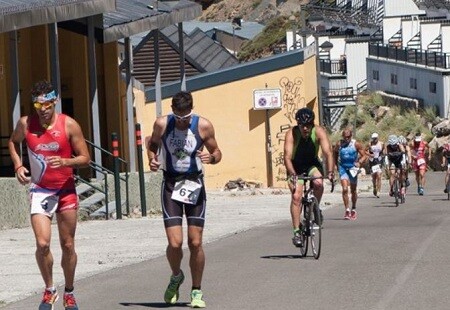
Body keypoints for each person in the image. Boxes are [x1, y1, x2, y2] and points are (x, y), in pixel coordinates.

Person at [8, 80, 90, 310]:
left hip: (65, 190)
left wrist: (66, 161)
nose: (43, 111)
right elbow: (13, 143)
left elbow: (85, 158)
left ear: (54, 102)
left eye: (47, 106)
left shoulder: (69, 125)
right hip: (40, 190)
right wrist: (17, 165)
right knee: (43, 244)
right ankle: (50, 289)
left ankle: (70, 292)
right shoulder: (25, 123)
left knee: (68, 245)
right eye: (38, 106)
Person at [146, 91, 222, 308]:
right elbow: (151, 145)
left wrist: (212, 158)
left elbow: (217, 152)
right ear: (172, 112)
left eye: (186, 118)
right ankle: (176, 275)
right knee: (175, 242)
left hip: (194, 185)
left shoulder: (203, 126)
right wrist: (152, 160)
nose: (182, 122)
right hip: (171, 185)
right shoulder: (162, 124)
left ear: (192, 111)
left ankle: (196, 290)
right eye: (178, 118)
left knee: (195, 242)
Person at [284, 107, 334, 246]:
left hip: (312, 164)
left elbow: (328, 153)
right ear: (298, 124)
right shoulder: (291, 133)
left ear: (312, 124)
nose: (305, 128)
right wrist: (293, 174)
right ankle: (296, 232)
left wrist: (330, 172)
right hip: (295, 166)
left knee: (318, 183)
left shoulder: (318, 131)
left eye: (308, 125)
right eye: (302, 125)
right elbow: (287, 157)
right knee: (296, 196)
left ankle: (315, 208)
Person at [333, 128, 366, 220]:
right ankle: (347, 210)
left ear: (351, 136)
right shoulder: (339, 144)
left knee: (353, 190)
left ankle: (354, 208)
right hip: (343, 167)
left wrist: (359, 162)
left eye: (348, 137)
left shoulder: (355, 144)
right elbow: (334, 153)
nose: (346, 139)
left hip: (353, 168)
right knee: (344, 189)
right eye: (345, 137)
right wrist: (335, 164)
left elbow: (364, 155)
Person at [366, 132, 384, 198]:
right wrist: (370, 154)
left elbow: (383, 151)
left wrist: (383, 156)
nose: (374, 140)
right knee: (374, 176)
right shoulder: (369, 144)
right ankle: (374, 187)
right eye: (373, 138)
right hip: (372, 161)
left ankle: (379, 191)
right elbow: (365, 151)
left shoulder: (381, 143)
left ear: (377, 138)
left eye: (375, 138)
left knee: (379, 175)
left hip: (379, 160)